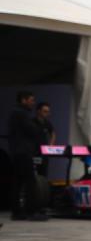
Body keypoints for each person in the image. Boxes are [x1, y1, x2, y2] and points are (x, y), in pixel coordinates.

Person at [6, 91, 47, 220]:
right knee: (30, 181)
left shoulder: (15, 113)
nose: (33, 103)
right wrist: (40, 126)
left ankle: (17, 212)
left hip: (17, 151)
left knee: (18, 182)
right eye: (31, 100)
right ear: (23, 100)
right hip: (23, 152)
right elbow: (32, 130)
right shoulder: (21, 113)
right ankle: (31, 211)